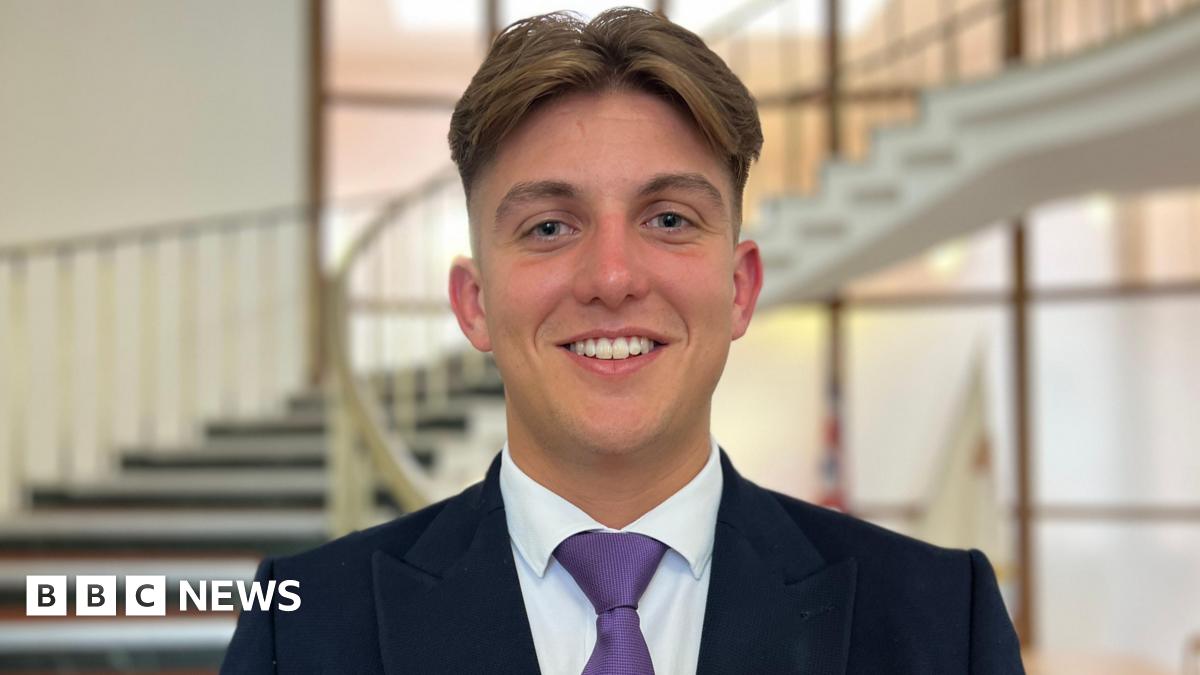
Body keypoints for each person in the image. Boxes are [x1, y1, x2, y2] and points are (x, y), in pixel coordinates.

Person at [222, 8, 1024, 674]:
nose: (611, 275)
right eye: (549, 225)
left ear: (740, 288)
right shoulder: (301, 628)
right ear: (473, 304)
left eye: (669, 219)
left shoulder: (939, 621)